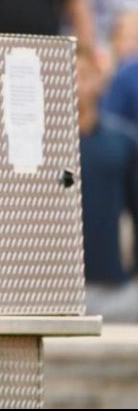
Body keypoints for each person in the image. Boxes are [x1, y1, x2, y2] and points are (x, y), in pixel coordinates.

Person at [77, 49, 138, 322]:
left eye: (83, 75)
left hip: (115, 290)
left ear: (100, 81)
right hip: (56, 292)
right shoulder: (36, 150)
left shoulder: (123, 143)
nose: (76, 84)